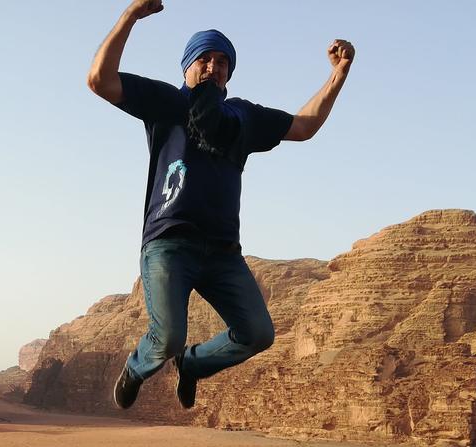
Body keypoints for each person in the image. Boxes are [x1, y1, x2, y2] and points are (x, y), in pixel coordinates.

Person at [87, 0, 355, 410]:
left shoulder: (242, 118)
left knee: (258, 333)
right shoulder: (165, 103)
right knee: (169, 335)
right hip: (169, 243)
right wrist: (130, 16)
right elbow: (99, 80)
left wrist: (338, 75)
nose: (213, 67)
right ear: (187, 68)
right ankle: (137, 367)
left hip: (222, 252)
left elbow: (304, 126)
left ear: (229, 72)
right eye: (204, 60)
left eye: (221, 62)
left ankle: (192, 365)